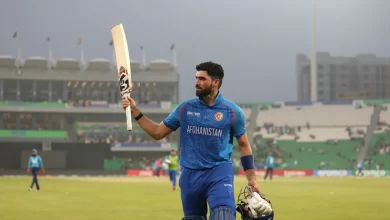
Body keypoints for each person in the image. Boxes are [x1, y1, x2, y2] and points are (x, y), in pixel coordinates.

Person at [122, 61, 262, 220]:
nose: (196, 83)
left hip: (219, 172)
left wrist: (252, 179)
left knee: (223, 216)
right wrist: (135, 112)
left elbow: (244, 145)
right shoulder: (184, 109)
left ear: (215, 82)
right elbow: (157, 132)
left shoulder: (233, 111)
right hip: (190, 174)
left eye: (202, 79)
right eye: (196, 78)